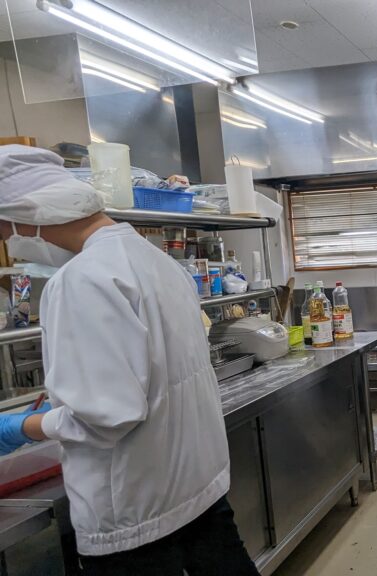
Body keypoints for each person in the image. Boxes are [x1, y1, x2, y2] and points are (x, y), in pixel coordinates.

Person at [0, 145, 258, 576]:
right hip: (197, 490)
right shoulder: (155, 260)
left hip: (134, 520)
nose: (10, 243)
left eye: (4, 231)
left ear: (25, 215)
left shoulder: (81, 279)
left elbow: (105, 417)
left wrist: (22, 427)